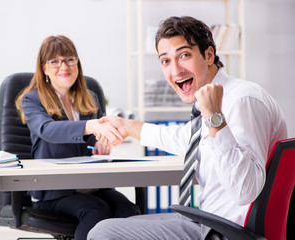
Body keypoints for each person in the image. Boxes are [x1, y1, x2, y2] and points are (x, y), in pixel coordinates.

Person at [87, 16, 288, 240]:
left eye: (184, 55)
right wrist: (125, 125)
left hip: (226, 231)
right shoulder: (217, 99)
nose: (176, 70)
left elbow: (245, 191)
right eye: (166, 61)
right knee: (125, 220)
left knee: (103, 233)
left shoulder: (241, 100)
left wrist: (214, 118)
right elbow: (183, 139)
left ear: (209, 55)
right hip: (209, 220)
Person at [15, 35, 140, 240]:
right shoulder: (32, 99)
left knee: (127, 210)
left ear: (77, 64)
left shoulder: (90, 97)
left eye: (69, 59)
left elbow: (94, 141)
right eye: (55, 61)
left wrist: (102, 143)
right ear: (44, 68)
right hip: (53, 190)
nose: (63, 66)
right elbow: (48, 130)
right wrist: (89, 126)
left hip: (91, 185)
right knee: (95, 211)